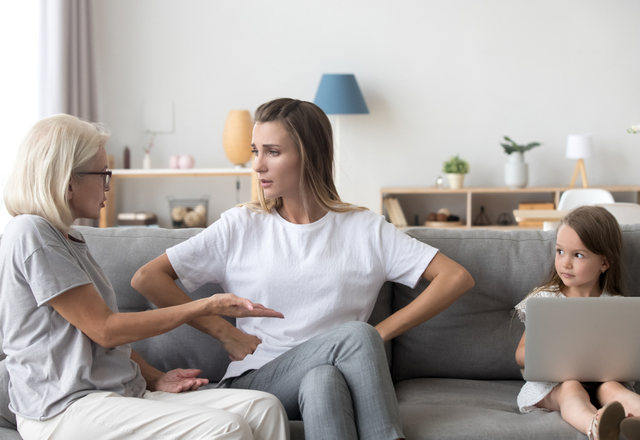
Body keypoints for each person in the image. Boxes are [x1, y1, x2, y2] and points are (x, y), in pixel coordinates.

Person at [132, 98, 475, 440]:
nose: (258, 165)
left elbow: (455, 277)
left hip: (333, 376)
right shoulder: (242, 225)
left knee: (323, 377)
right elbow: (148, 278)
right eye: (256, 151)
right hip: (257, 382)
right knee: (355, 336)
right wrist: (224, 332)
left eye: (272, 152)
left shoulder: (366, 229)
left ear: (308, 155)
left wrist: (376, 336)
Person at [0, 114, 290, 440]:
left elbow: (94, 340)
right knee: (227, 428)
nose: (108, 183)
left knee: (263, 408)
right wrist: (204, 306)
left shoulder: (71, 239)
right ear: (68, 181)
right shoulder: (30, 232)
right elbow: (105, 330)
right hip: (61, 407)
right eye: (102, 174)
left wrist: (154, 377)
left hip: (117, 396)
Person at [514, 205, 640, 440]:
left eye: (578, 255)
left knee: (613, 388)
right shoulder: (545, 299)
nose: (565, 263)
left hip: (603, 381)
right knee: (571, 388)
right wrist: (548, 355)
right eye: (560, 251)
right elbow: (520, 354)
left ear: (604, 263)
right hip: (555, 385)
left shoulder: (617, 306)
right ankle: (594, 426)